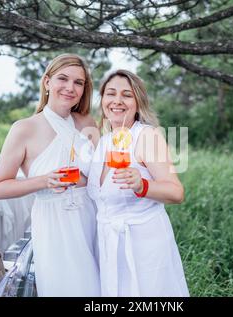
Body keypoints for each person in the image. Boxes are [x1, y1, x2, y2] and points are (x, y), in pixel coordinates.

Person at [0, 54, 100, 296]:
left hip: (93, 217)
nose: (70, 87)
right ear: (47, 82)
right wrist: (43, 181)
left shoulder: (87, 122)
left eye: (79, 82)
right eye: (63, 79)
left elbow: (101, 174)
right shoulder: (24, 128)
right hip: (54, 223)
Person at [87, 69, 189, 297]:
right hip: (108, 245)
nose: (117, 101)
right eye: (110, 94)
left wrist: (142, 184)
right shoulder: (103, 142)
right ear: (102, 99)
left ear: (138, 101)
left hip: (144, 247)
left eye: (127, 95)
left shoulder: (147, 136)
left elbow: (176, 192)